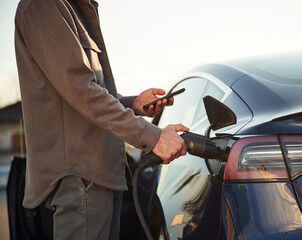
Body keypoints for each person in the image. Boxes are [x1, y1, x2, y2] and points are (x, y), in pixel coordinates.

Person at [14, 0, 188, 239]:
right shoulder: (44, 6)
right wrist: (153, 137)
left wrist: (131, 103)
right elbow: (81, 90)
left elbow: (85, 90)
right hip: (81, 174)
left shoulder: (74, 8)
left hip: (98, 172)